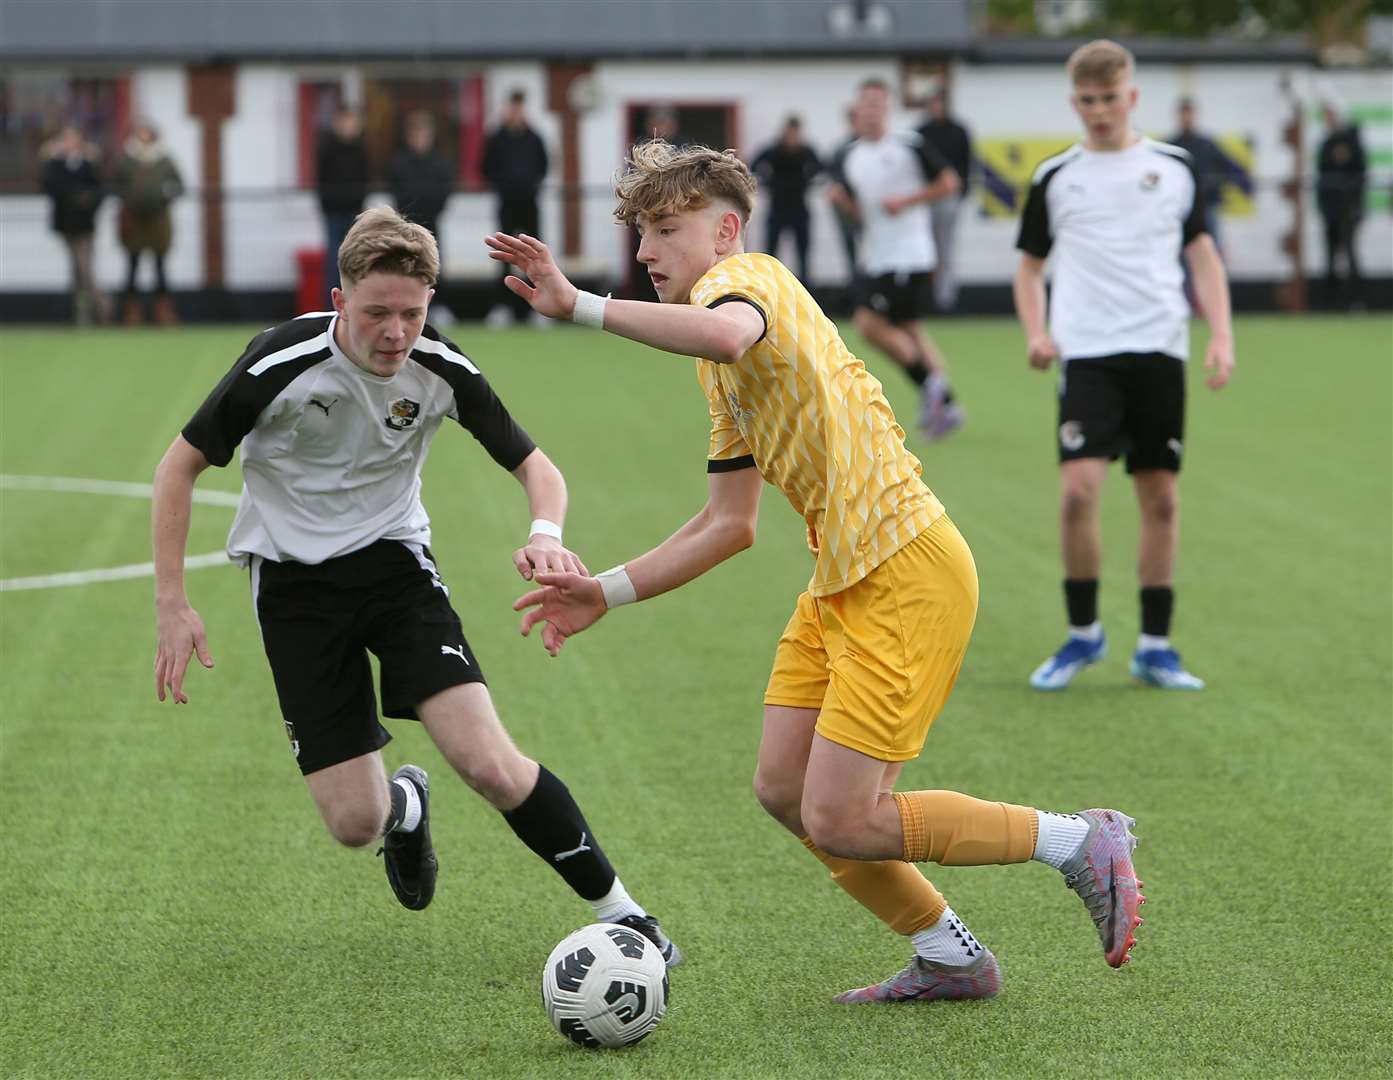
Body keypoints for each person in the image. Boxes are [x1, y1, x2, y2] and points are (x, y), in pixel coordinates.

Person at [485, 141, 1144, 1004]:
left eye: (664, 230)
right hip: (841, 581)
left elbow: (724, 329)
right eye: (640, 233)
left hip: (906, 569)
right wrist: (603, 592)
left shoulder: (750, 282)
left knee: (844, 816)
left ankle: (1075, 840)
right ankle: (949, 956)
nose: (645, 253)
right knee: (785, 791)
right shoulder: (717, 368)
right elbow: (728, 525)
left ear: (724, 231)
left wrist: (578, 306)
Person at [150, 207, 679, 963]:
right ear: (339, 303)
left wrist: (544, 535)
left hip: (395, 571)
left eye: (411, 313)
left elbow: (538, 469)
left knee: (490, 762)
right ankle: (403, 807)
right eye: (376, 314)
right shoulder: (278, 363)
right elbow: (179, 467)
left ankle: (627, 916)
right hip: (294, 590)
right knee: (352, 824)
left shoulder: (442, 367)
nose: (395, 332)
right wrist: (174, 603)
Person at [1012, 40, 1235, 693]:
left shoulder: (1172, 168)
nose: (1099, 111)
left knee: (1159, 498)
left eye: (1109, 98)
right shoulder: (1055, 177)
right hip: (1085, 351)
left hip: (1159, 349)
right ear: (1073, 102)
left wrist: (1220, 334)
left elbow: (1203, 258)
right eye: (1087, 100)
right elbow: (1028, 269)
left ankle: (1154, 646)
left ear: (1130, 97)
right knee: (1078, 490)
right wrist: (1036, 331)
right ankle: (1083, 635)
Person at [829, 79, 964, 441]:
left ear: (887, 109)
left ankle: (931, 388)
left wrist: (907, 201)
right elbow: (866, 216)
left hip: (908, 255)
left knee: (869, 325)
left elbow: (949, 183)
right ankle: (945, 403)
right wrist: (845, 204)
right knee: (908, 329)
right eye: (866, 104)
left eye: (878, 103)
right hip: (877, 255)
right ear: (857, 110)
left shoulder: (908, 145)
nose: (871, 110)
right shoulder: (853, 156)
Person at [482, 90, 549, 327]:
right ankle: (503, 307)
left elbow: (544, 166)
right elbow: (486, 167)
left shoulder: (534, 137)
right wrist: (504, 185)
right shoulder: (496, 138)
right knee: (503, 255)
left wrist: (528, 185)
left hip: (529, 203)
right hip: (506, 203)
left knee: (533, 255)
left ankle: (539, 308)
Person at [110, 119, 183, 326]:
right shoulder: (127, 159)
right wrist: (129, 199)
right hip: (134, 220)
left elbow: (178, 184)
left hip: (158, 219)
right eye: (140, 133)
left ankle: (164, 312)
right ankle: (131, 313)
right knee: (132, 266)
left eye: (147, 133)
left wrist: (165, 197)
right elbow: (115, 183)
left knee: (160, 266)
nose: (144, 137)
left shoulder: (164, 159)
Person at [39, 124, 109, 326]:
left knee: (85, 268)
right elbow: (49, 187)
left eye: (72, 139)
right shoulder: (55, 164)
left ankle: (102, 306)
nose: (68, 143)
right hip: (66, 224)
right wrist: (48, 157)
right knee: (75, 271)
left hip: (85, 225)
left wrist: (87, 203)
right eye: (65, 139)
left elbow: (100, 190)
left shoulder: (88, 164)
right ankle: (81, 314)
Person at [916, 91, 972, 312]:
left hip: (949, 198)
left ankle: (945, 299)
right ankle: (925, 297)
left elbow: (966, 164)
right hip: (926, 198)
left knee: (945, 249)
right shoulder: (921, 133)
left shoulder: (958, 131)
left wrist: (959, 192)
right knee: (925, 251)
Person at [751, 116, 821, 282]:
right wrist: (767, 181)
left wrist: (807, 180)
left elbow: (820, 167)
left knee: (803, 252)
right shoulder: (774, 151)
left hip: (799, 208)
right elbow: (754, 165)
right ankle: (769, 282)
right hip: (778, 207)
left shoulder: (805, 151)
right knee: (771, 250)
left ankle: (805, 285)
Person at [316, 106, 369, 309]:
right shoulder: (327, 150)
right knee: (333, 261)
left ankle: (356, 303)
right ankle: (331, 306)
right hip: (333, 213)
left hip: (354, 213)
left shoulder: (361, 150)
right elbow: (322, 183)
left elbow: (365, 180)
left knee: (356, 260)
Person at [1315, 103, 1367, 310]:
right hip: (1330, 210)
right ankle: (1331, 303)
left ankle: (1356, 301)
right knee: (1329, 257)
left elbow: (1361, 176)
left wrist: (1356, 205)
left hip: (1349, 209)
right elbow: (1321, 177)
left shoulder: (1353, 142)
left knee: (1351, 255)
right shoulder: (1326, 143)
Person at [1167, 98, 1227, 254]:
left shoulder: (1207, 145)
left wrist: (1215, 185)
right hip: (1180, 209)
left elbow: (1228, 167)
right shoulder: (1172, 146)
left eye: (1189, 114)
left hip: (1207, 207)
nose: (1186, 118)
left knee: (1210, 251)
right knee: (1181, 253)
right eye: (1183, 114)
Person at [826, 104, 863, 282]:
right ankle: (857, 289)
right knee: (851, 251)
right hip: (847, 209)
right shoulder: (842, 150)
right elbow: (835, 185)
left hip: (869, 209)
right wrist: (850, 207)